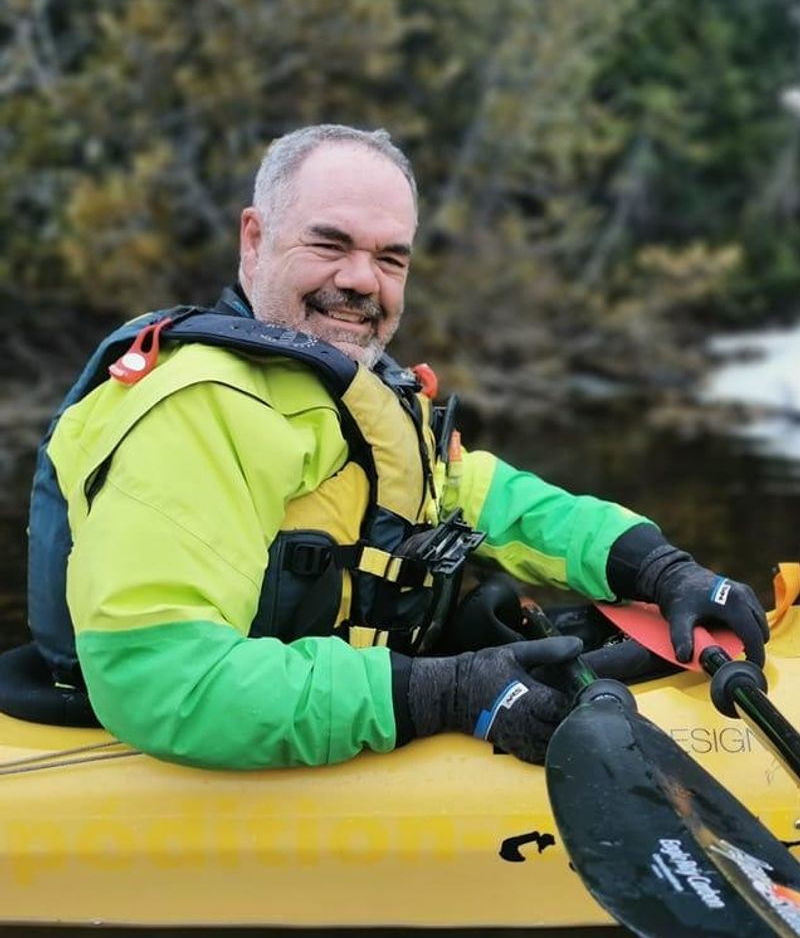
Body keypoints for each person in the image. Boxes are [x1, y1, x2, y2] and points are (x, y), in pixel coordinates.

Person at [31, 124, 769, 770]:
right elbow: (164, 684)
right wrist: (438, 694)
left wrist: (649, 562)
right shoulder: (194, 409)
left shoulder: (351, 390)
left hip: (330, 683)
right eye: (330, 243)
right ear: (254, 239)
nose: (362, 281)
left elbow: (479, 496)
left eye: (391, 259)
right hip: (165, 742)